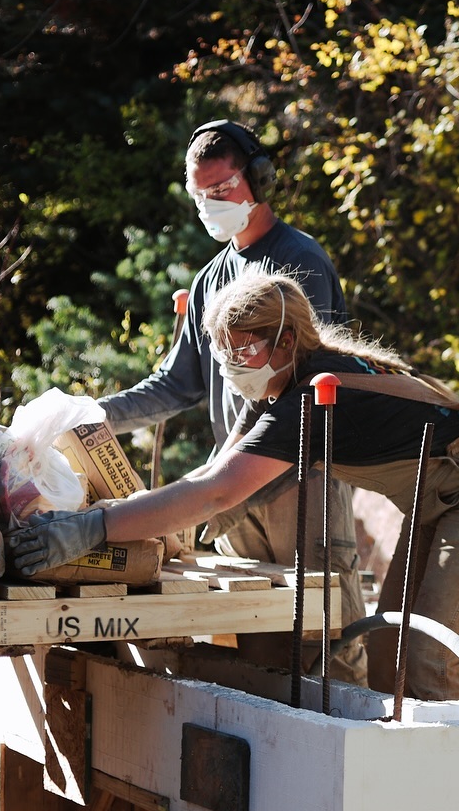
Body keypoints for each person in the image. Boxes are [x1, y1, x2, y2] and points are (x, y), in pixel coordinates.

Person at [10, 269, 459, 701]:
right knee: (389, 652)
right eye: (221, 354)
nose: (230, 366)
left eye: (240, 352)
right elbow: (212, 473)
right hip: (441, 498)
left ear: (285, 339)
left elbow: (217, 494)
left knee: (427, 660)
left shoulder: (307, 399)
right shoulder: (278, 379)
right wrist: (136, 518)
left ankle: (455, 800)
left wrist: (96, 527)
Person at [96, 120, 367, 683]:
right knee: (261, 648)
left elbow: (295, 379)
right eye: (201, 195)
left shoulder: (298, 263)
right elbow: (176, 384)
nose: (211, 204)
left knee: (323, 644)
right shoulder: (209, 280)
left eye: (222, 190)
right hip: (239, 480)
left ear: (258, 180)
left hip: (299, 476)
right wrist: (95, 416)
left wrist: (214, 480)